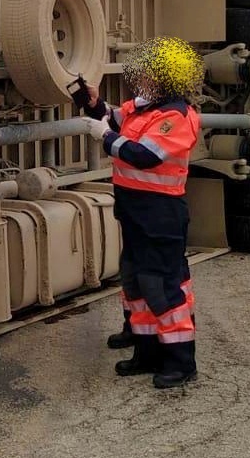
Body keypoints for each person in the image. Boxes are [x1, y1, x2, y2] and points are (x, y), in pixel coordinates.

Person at [78, 36, 205, 389]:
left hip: (161, 214)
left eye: (149, 74)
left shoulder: (177, 117)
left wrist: (104, 137)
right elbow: (114, 119)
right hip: (135, 211)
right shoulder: (143, 107)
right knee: (135, 280)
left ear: (167, 80)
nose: (142, 79)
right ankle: (147, 350)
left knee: (162, 285)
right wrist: (94, 104)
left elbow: (143, 155)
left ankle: (180, 361)